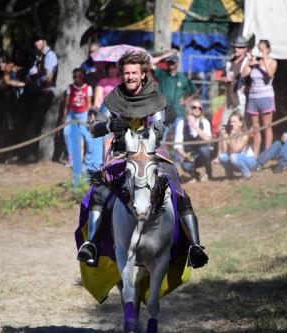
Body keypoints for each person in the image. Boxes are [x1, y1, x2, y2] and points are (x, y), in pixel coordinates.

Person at [76, 50, 208, 269]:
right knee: (99, 192)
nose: (130, 77)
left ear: (143, 74)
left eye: (134, 73)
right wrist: (109, 125)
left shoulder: (155, 98)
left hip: (152, 154)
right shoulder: (113, 98)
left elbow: (158, 130)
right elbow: (93, 128)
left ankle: (195, 246)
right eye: (126, 73)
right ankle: (91, 244)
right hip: (120, 155)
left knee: (178, 190)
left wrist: (138, 138)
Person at [20, 34, 58, 162]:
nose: (36, 43)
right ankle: (27, 153)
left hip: (45, 93)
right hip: (36, 92)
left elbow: (47, 76)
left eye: (38, 40)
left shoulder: (50, 56)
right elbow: (32, 72)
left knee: (35, 123)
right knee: (29, 122)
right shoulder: (39, 57)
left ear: (44, 41)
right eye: (35, 41)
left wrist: (34, 79)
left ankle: (32, 154)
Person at [241, 40, 278, 157]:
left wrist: (265, 57)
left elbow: (270, 73)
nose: (259, 51)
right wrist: (248, 61)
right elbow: (243, 74)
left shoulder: (273, 62)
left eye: (261, 49)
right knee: (256, 127)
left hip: (266, 96)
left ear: (267, 49)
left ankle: (267, 153)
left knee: (267, 125)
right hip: (253, 97)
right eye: (258, 49)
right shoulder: (254, 62)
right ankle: (256, 153)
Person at [152, 51, 197, 134]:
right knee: (160, 139)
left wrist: (187, 100)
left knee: (178, 140)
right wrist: (165, 55)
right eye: (168, 62)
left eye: (172, 62)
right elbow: (149, 62)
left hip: (179, 112)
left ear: (177, 63)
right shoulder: (162, 74)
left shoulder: (183, 77)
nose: (170, 63)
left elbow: (194, 91)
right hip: (164, 112)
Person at [62, 68, 93, 184]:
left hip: (83, 113)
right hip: (72, 113)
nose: (77, 79)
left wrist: (89, 117)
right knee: (66, 132)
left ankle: (86, 160)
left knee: (86, 136)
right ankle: (71, 157)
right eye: (75, 77)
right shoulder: (70, 88)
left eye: (79, 77)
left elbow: (89, 104)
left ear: (83, 77)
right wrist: (64, 117)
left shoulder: (87, 87)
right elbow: (66, 104)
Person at [174, 99, 213, 182]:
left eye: (200, 108)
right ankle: (194, 175)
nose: (197, 109)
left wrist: (194, 125)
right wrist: (186, 156)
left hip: (202, 155)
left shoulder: (205, 122)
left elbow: (208, 140)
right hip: (190, 154)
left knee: (204, 150)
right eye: (194, 107)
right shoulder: (181, 123)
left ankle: (208, 173)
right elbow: (178, 146)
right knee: (186, 164)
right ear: (189, 109)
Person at [220, 36, 250, 124]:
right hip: (229, 99)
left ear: (245, 49)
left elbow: (250, 79)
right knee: (223, 126)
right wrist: (224, 79)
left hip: (241, 100)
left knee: (239, 128)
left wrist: (245, 89)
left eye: (240, 47)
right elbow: (221, 78)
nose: (236, 49)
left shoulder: (248, 61)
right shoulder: (229, 62)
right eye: (235, 47)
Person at [218, 112, 256, 180]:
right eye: (231, 122)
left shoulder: (244, 135)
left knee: (233, 156)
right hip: (236, 159)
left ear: (241, 123)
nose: (232, 124)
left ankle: (247, 174)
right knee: (221, 157)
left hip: (249, 161)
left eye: (235, 122)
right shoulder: (231, 134)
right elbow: (224, 151)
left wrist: (232, 137)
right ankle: (230, 175)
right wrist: (224, 137)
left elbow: (235, 150)